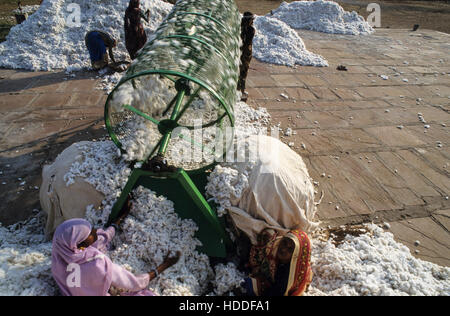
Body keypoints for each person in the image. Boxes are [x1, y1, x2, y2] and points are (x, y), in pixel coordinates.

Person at [51, 200, 180, 296]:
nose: (95, 230)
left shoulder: (58, 261)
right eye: (89, 233)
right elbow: (134, 283)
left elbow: (102, 239)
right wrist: (164, 266)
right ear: (79, 244)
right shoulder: (97, 263)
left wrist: (120, 219)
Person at [243, 228, 312, 296]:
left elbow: (276, 292)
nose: (284, 249)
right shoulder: (274, 248)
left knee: (250, 285)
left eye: (290, 249)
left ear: (295, 255)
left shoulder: (287, 276)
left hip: (277, 287)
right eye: (284, 243)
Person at [237, 12, 256, 102]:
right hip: (244, 54)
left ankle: (240, 89)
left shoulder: (246, 29)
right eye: (251, 20)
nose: (252, 21)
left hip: (245, 54)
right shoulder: (249, 30)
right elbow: (246, 43)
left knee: (242, 72)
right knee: (242, 73)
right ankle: (240, 91)